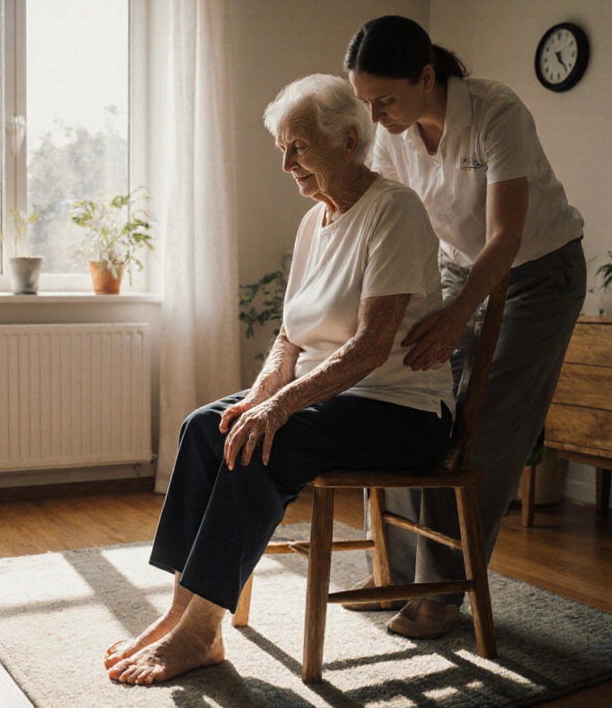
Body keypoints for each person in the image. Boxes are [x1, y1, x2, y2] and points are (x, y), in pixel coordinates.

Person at [104, 73, 455, 685]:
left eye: (299, 147)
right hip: (332, 402)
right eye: (282, 149)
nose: (287, 163)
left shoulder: (393, 210)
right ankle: (182, 611)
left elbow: (372, 346)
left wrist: (279, 407)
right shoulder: (314, 222)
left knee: (264, 441)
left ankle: (202, 629)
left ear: (349, 141)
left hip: (401, 409)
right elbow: (290, 335)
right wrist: (265, 392)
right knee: (208, 426)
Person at [341, 15, 587, 638]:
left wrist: (456, 318)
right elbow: (387, 220)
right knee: (409, 397)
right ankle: (393, 571)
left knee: (486, 427)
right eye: (365, 102)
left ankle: (442, 593)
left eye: (384, 100)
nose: (375, 116)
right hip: (455, 268)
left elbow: (505, 238)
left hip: (538, 273)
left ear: (427, 77)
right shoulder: (393, 134)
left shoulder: (496, 111)